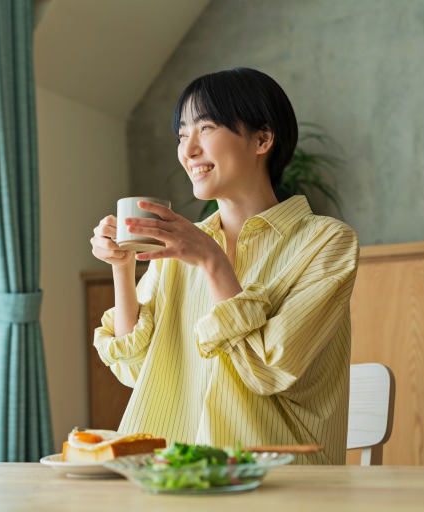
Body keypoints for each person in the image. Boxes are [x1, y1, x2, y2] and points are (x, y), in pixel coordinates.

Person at [89, 67, 359, 464]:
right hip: (170, 478)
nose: (188, 150)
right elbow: (135, 369)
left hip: (276, 485)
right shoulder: (177, 249)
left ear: (262, 139)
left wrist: (212, 261)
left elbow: (268, 370)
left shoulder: (326, 242)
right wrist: (122, 266)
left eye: (206, 128)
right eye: (182, 135)